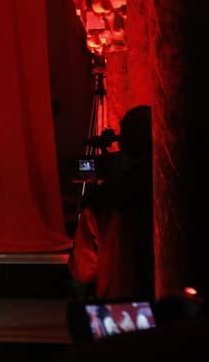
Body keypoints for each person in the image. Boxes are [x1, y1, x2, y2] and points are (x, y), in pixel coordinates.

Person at [69, 106, 154, 300]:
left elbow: (82, 270)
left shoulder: (101, 198)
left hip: (121, 309)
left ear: (124, 144)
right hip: (173, 313)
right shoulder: (174, 194)